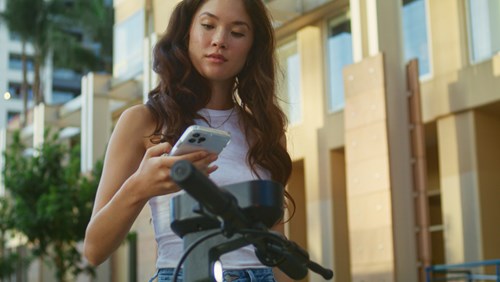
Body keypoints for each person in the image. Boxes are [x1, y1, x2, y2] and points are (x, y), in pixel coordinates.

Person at [83, 0, 294, 281]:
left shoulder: (266, 131)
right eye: (208, 25)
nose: (219, 40)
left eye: (238, 32)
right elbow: (94, 249)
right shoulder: (144, 121)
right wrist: (139, 186)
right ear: (186, 33)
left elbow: (274, 248)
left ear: (252, 47)